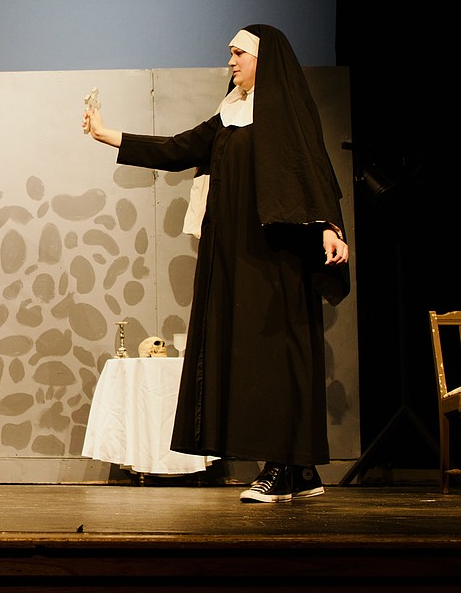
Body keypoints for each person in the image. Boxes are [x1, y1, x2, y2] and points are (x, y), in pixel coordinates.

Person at [83, 25, 350, 504]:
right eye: (230, 54)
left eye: (239, 54)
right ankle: (301, 470)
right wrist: (107, 134)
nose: (231, 62)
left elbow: (313, 175)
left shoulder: (288, 117)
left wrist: (331, 227)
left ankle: (283, 467)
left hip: (278, 256)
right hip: (233, 256)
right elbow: (176, 149)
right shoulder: (229, 116)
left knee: (279, 359)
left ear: (264, 60)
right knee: (248, 360)